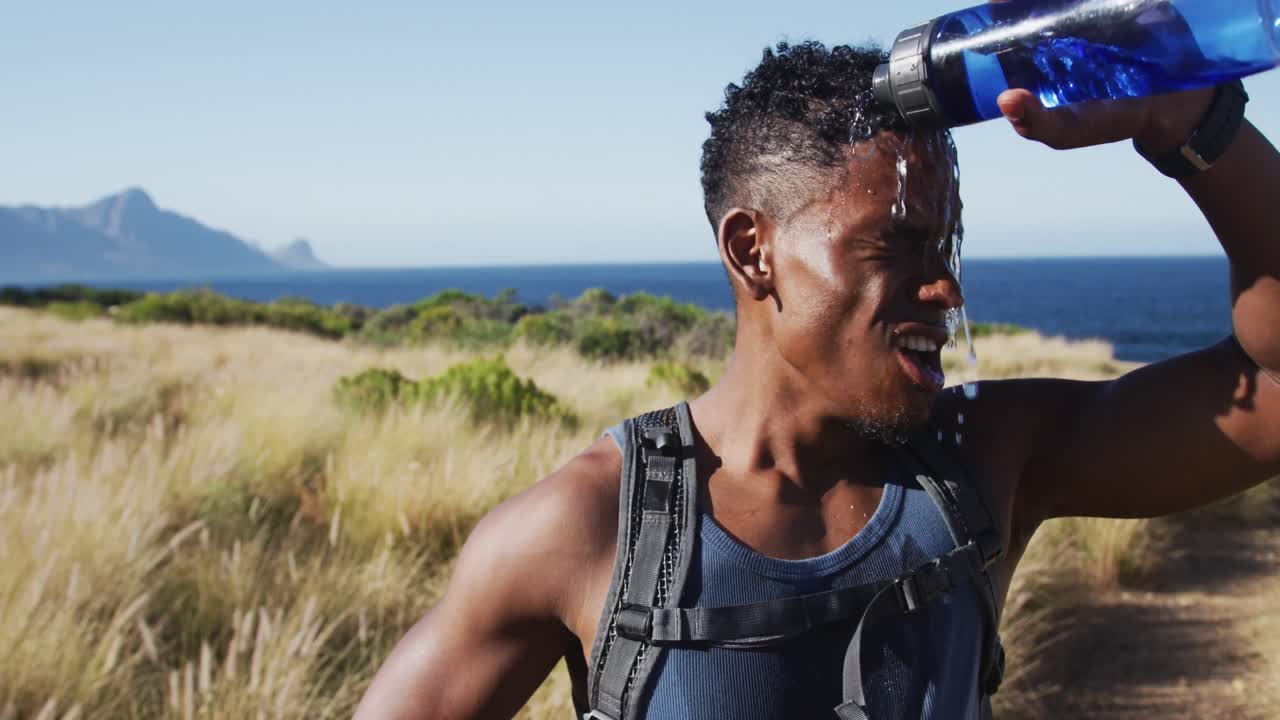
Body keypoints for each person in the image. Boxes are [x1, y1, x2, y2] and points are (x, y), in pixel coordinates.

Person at [353, 37, 1280, 720]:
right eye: (899, 244)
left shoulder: (982, 461)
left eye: (948, 244)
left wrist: (1187, 122)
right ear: (753, 251)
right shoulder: (591, 529)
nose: (947, 284)